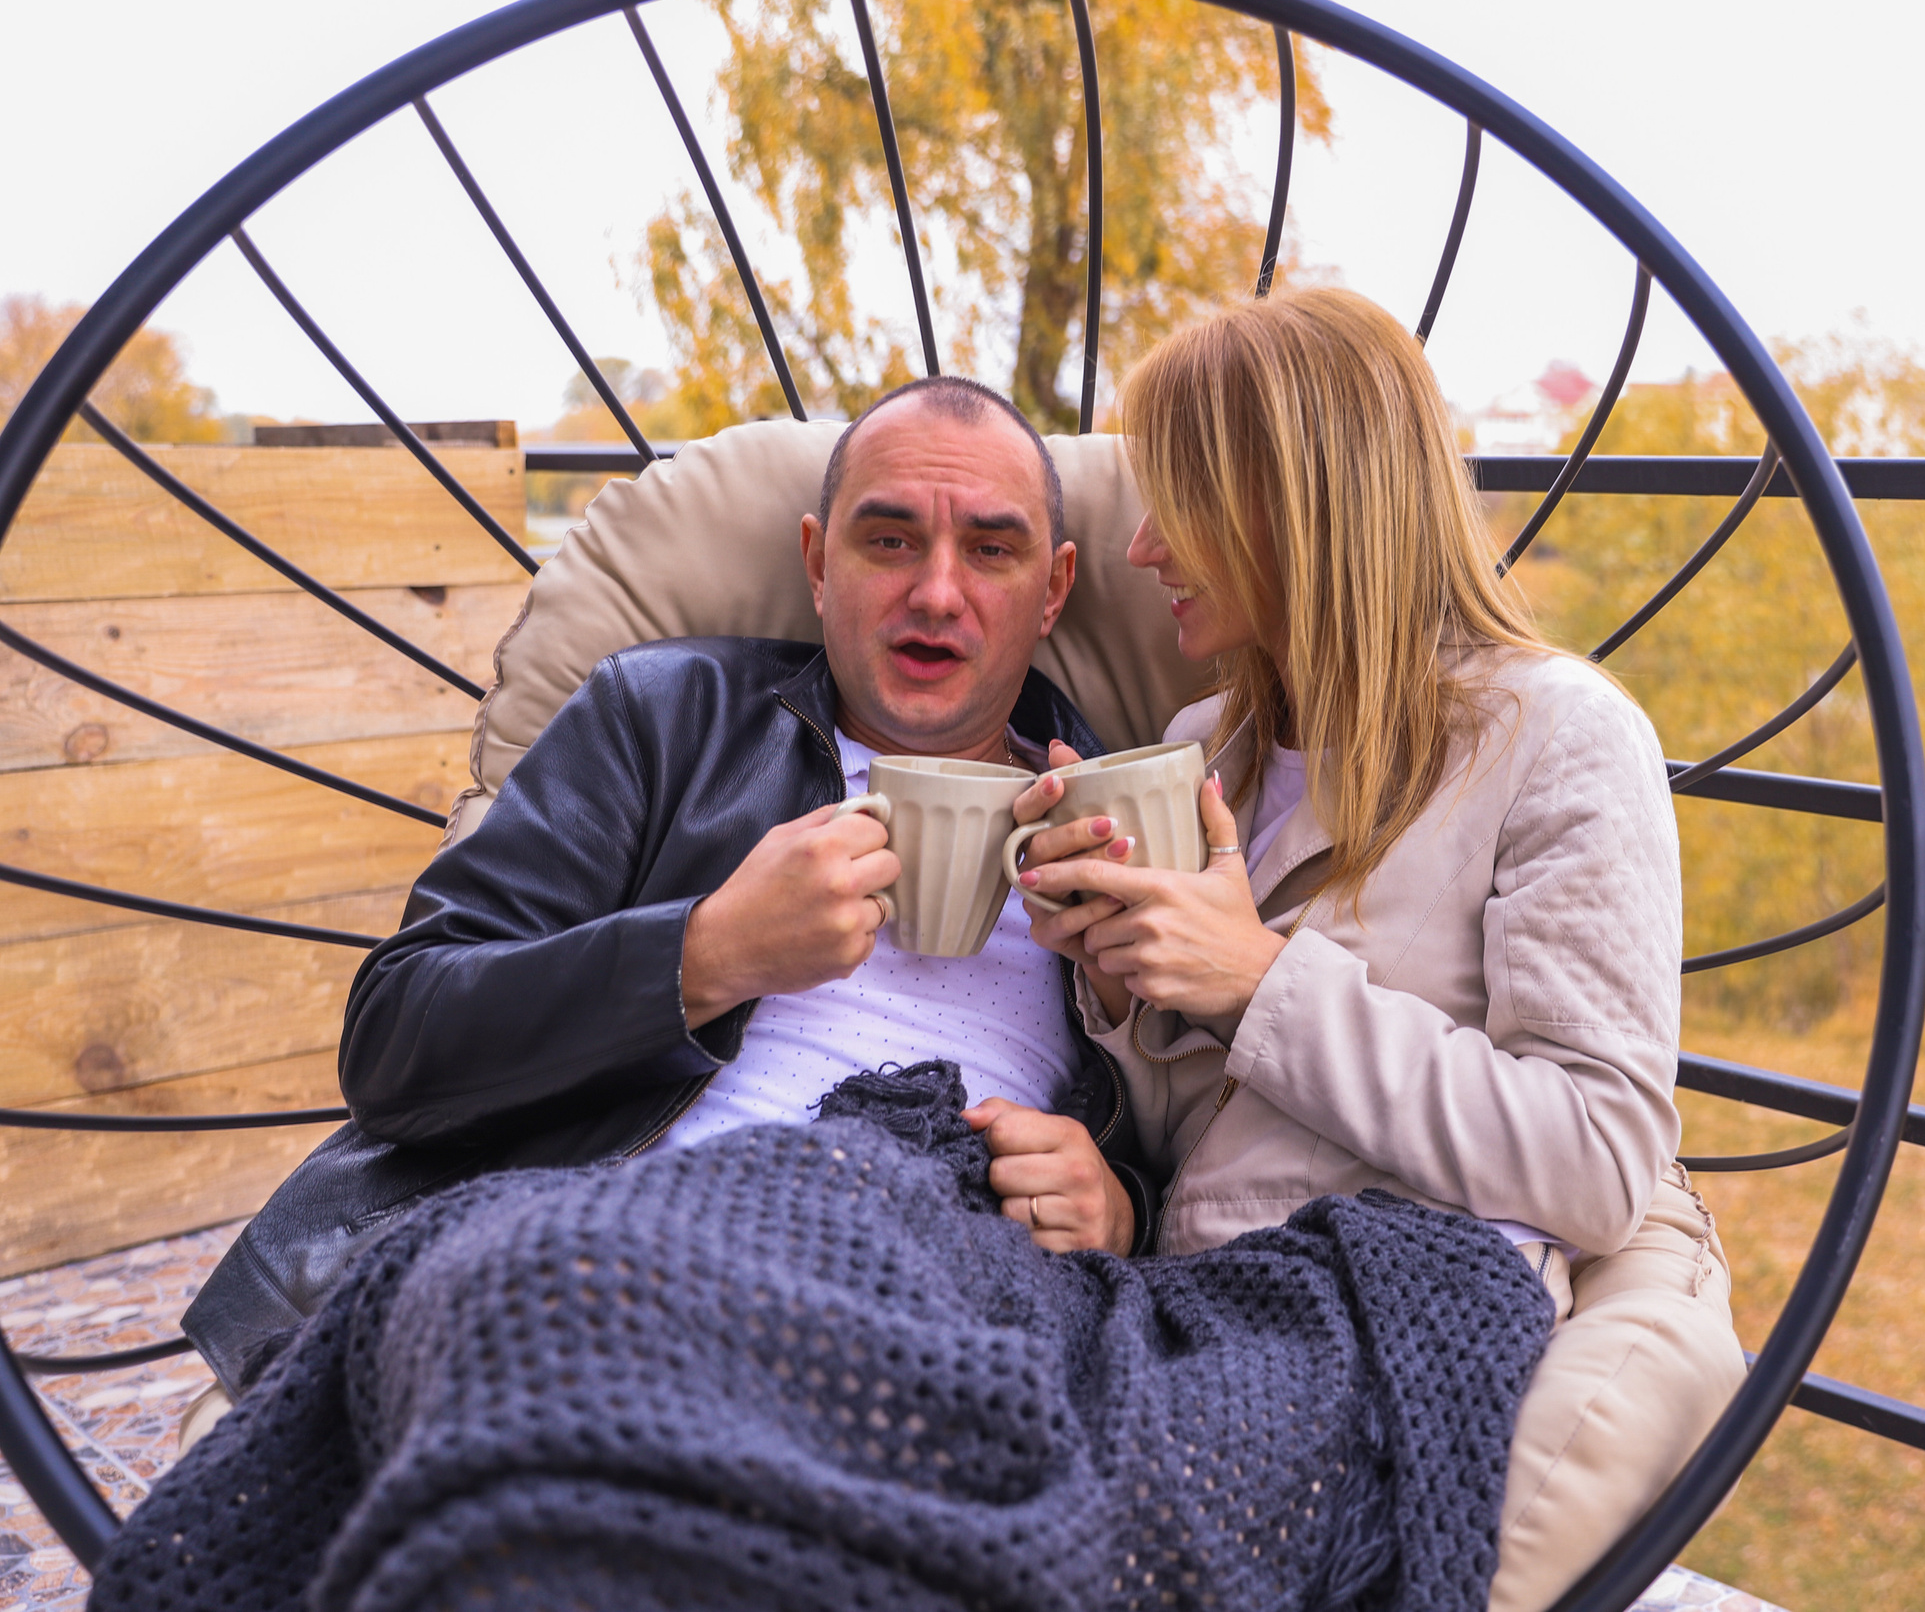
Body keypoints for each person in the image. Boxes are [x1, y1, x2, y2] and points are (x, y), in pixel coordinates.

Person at [181, 374, 1156, 1400]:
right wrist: (707, 955)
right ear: (818, 563)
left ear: (1053, 590)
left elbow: (1204, 1135)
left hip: (934, 1318)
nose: (937, 594)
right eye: (890, 540)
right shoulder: (665, 716)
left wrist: (1119, 1202)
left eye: (991, 551)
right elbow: (394, 1046)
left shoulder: (1116, 817)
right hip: (603, 1265)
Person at [1009, 286, 1747, 1611]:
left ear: (1292, 501)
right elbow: (1204, 1132)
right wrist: (1124, 982)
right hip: (1183, 1310)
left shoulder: (1555, 736)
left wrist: (1255, 978)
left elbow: (1593, 1156)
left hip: (1389, 1328)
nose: (1138, 546)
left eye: (1177, 501)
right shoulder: (1201, 743)